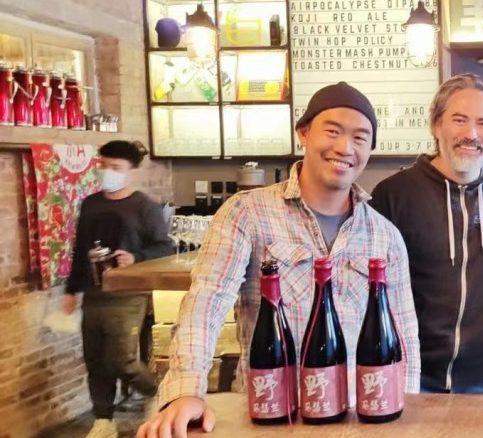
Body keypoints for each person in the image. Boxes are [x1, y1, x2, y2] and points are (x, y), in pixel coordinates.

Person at [136, 83, 421, 437]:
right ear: (304, 133)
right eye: (333, 131)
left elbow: (405, 333)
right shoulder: (247, 212)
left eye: (360, 137)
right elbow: (207, 301)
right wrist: (185, 391)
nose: (345, 147)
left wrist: (407, 408)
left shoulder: (384, 235)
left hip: (358, 420)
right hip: (272, 415)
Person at [371, 74, 483, 394]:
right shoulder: (393, 195)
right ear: (436, 125)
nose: (471, 134)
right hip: (410, 376)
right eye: (459, 120)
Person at [63, 140, 174, 438]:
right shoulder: (91, 204)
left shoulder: (144, 207)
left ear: (130, 171)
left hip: (128, 295)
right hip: (94, 293)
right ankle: (103, 421)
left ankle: (165, 397)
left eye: (115, 167)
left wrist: (136, 257)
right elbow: (80, 249)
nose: (107, 172)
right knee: (95, 360)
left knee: (121, 360)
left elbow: (165, 247)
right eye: (103, 166)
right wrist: (72, 290)